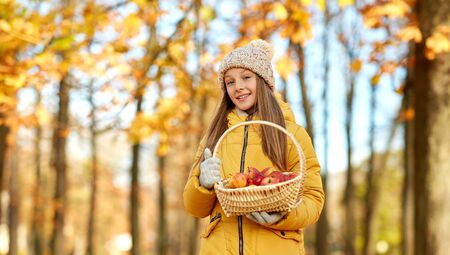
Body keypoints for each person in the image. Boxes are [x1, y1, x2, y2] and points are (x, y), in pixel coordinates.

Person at [183, 39, 324, 255]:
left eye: (246, 77)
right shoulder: (215, 137)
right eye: (230, 82)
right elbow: (194, 207)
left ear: (264, 81)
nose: (237, 87)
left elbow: (313, 198)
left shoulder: (291, 134)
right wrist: (202, 184)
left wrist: (285, 215)